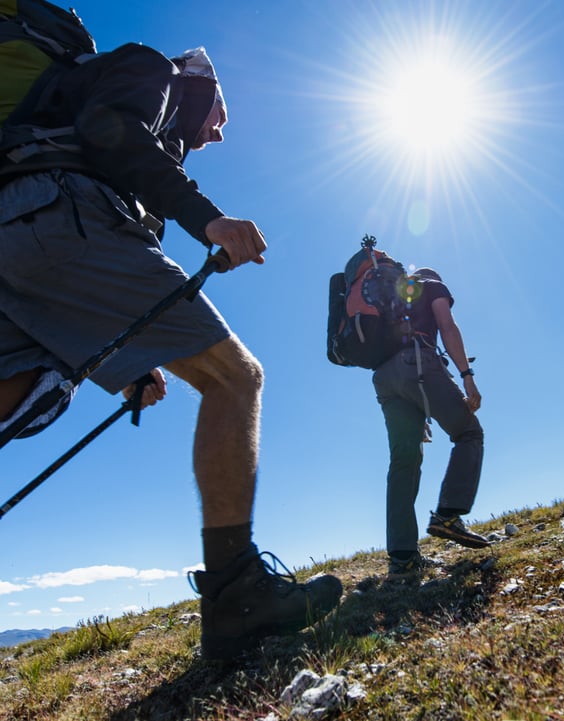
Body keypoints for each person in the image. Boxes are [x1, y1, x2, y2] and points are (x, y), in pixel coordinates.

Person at [0, 42, 341, 660]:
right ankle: (238, 598)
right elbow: (113, 136)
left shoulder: (62, 108)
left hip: (17, 230)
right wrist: (207, 219)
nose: (218, 134)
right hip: (59, 210)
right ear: (200, 86)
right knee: (235, 379)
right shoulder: (154, 68)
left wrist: (126, 366)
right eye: (221, 114)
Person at [371, 264, 488, 578]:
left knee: (403, 461)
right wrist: (467, 378)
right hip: (418, 363)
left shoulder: (390, 296)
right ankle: (449, 515)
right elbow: (446, 326)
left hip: (384, 378)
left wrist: (415, 407)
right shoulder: (431, 283)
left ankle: (402, 559)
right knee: (468, 433)